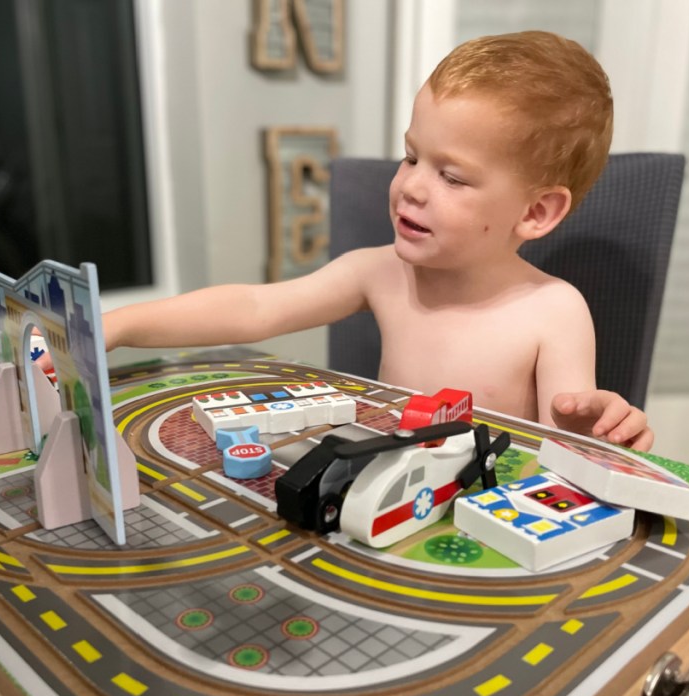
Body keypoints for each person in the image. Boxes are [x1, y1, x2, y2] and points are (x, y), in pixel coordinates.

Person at [102, 31, 654, 450]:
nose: (411, 186)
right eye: (412, 156)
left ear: (536, 211)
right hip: (381, 493)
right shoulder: (380, 271)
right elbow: (255, 306)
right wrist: (121, 324)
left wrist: (601, 431)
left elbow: (565, 440)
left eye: (452, 177)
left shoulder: (553, 312)